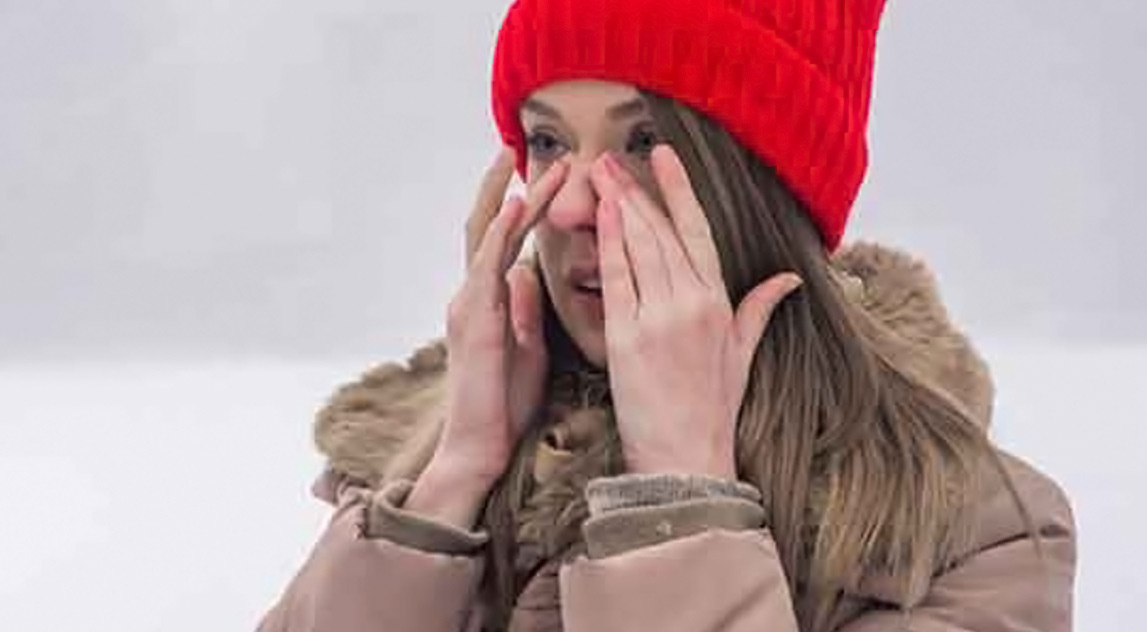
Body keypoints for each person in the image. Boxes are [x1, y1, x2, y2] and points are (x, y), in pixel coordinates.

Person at [257, 0, 1076, 630]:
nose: (573, 203)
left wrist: (679, 501)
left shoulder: (974, 534)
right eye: (546, 142)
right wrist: (452, 472)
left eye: (644, 141)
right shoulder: (410, 482)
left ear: (763, 186)